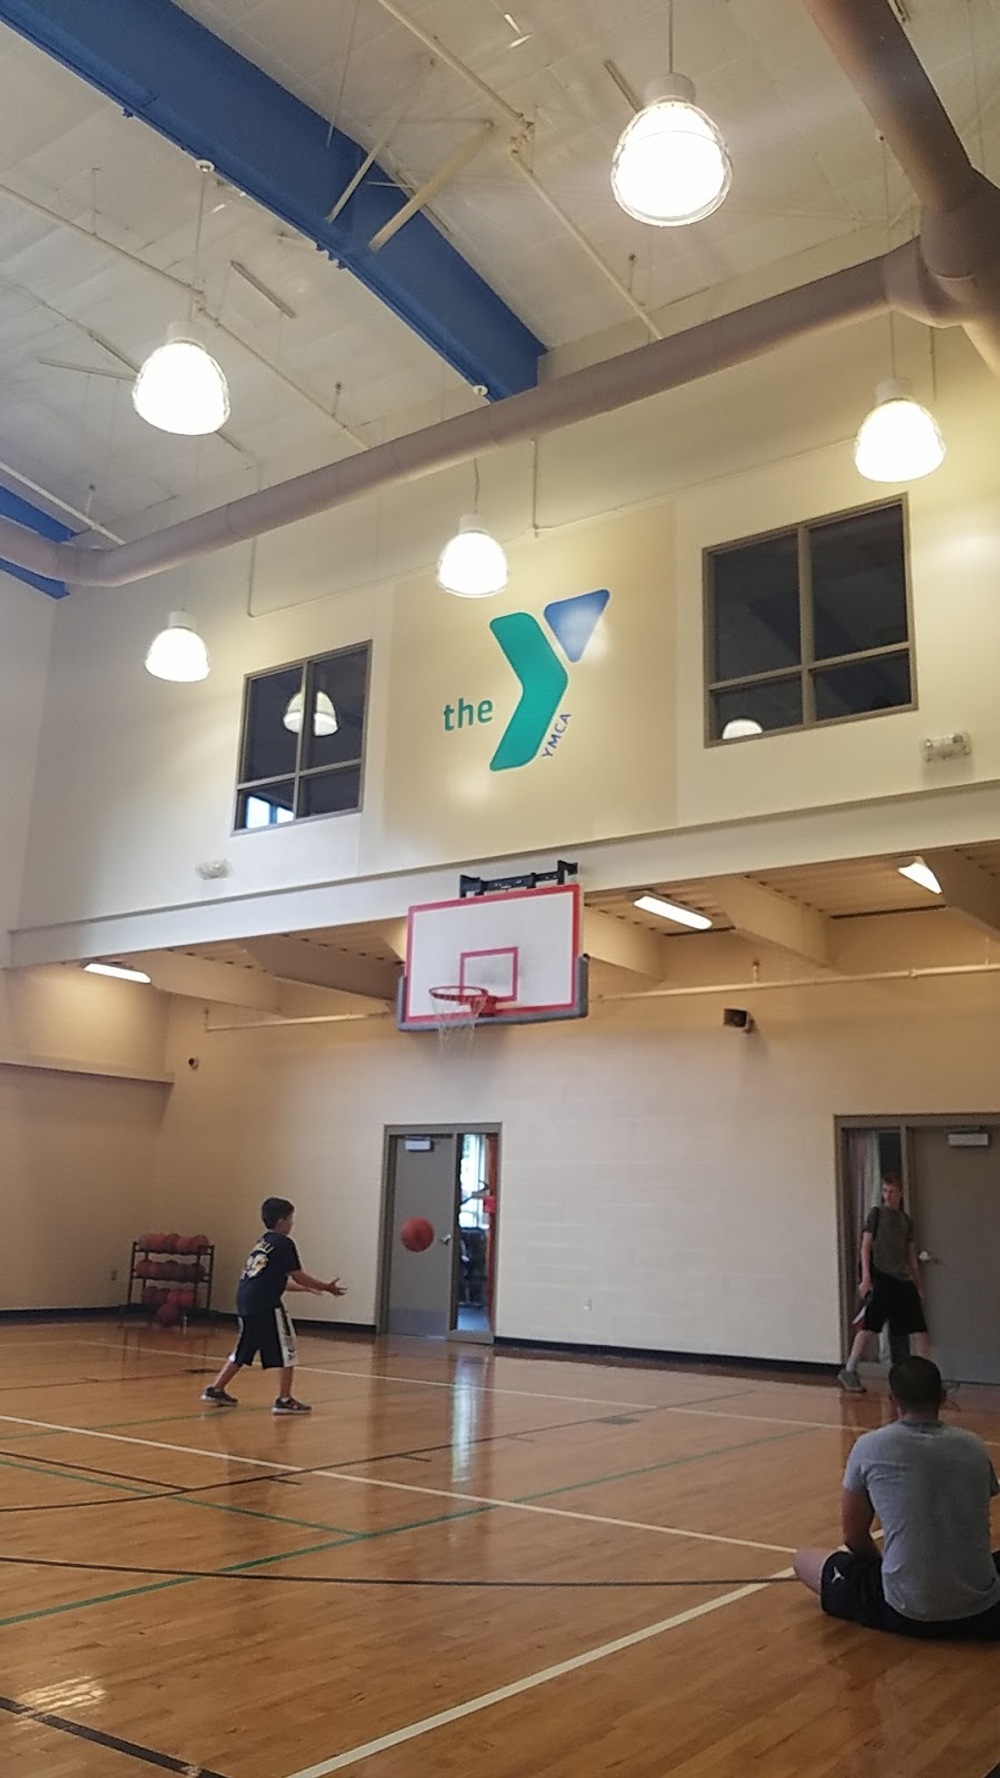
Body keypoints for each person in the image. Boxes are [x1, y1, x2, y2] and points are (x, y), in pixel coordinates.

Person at [794, 1357, 1000, 1639]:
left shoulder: (869, 1446)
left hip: (905, 1608)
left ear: (893, 1399)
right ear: (941, 1396)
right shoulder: (974, 1445)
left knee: (804, 1559)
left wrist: (881, 1570)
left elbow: (854, 1536)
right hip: (985, 1610)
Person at [202, 1197, 346, 1414]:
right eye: (290, 1219)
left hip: (246, 1299)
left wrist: (307, 1289)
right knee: (287, 1345)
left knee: (245, 1346)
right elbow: (298, 1276)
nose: (292, 1224)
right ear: (281, 1221)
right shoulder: (284, 1243)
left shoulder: (263, 1243)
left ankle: (216, 1389)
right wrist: (326, 1287)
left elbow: (272, 1280)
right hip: (265, 1303)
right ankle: (284, 1399)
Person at [838, 1172, 929, 1393]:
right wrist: (866, 1278)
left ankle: (928, 1376)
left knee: (919, 1329)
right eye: (885, 1191)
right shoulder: (876, 1214)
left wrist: (918, 1284)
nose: (887, 1196)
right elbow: (865, 1246)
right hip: (881, 1278)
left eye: (892, 1191)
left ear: (900, 1194)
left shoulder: (906, 1221)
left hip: (902, 1279)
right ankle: (849, 1369)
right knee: (869, 1326)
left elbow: (911, 1255)